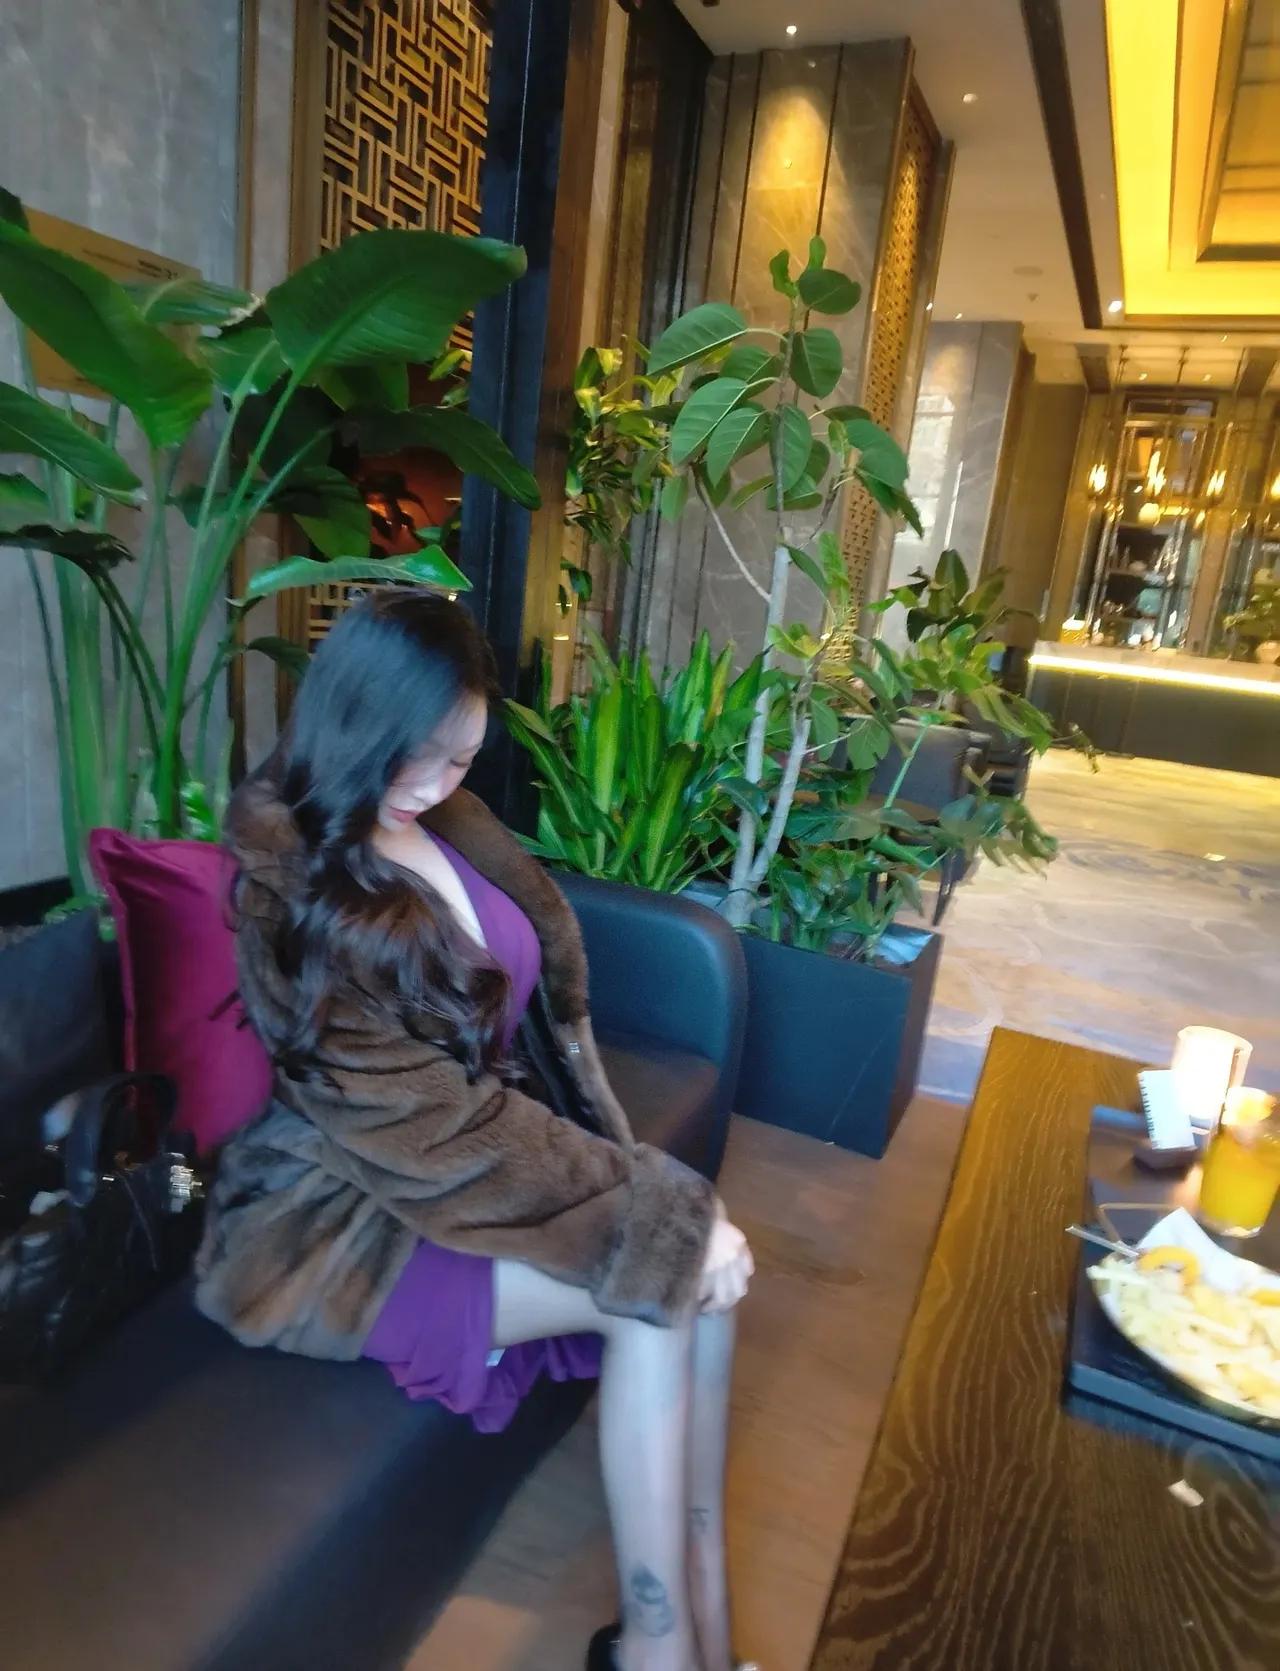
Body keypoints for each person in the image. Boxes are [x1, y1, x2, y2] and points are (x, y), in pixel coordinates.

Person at [195, 591, 756, 1671]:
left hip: (463, 1165)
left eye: (458, 759)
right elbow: (432, 1128)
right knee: (660, 1287)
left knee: (706, 1283)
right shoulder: (291, 887)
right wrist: (650, 1206)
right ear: (353, 723)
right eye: (412, 758)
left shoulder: (446, 823)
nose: (432, 784)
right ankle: (659, 1647)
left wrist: (653, 1200)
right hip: (340, 1217)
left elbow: (514, 1047)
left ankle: (708, 1614)